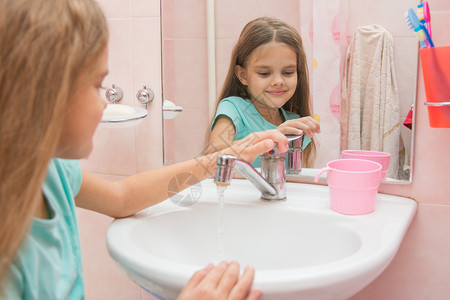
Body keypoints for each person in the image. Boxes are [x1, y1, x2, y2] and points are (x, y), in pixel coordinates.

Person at [0, 1, 289, 299]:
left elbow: (122, 197)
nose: (104, 103)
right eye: (97, 85)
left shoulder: (52, 171)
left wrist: (219, 159)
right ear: (42, 92)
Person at [206, 17, 320, 168]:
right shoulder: (233, 109)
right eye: (264, 73)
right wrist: (271, 139)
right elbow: (211, 161)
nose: (278, 81)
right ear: (243, 75)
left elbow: (297, 180)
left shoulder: (294, 124)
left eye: (288, 72)